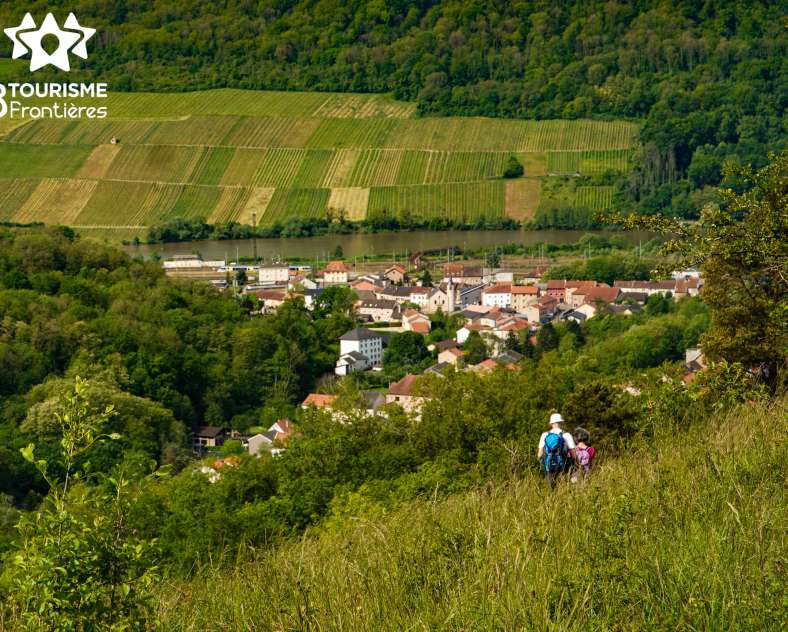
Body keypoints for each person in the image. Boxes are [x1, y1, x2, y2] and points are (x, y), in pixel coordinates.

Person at [537, 413, 576, 486]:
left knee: (551, 487)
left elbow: (539, 455)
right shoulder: (566, 435)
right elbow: (574, 455)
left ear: (551, 423)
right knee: (569, 482)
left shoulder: (545, 435)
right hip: (564, 466)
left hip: (549, 465)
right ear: (561, 422)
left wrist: (544, 462)